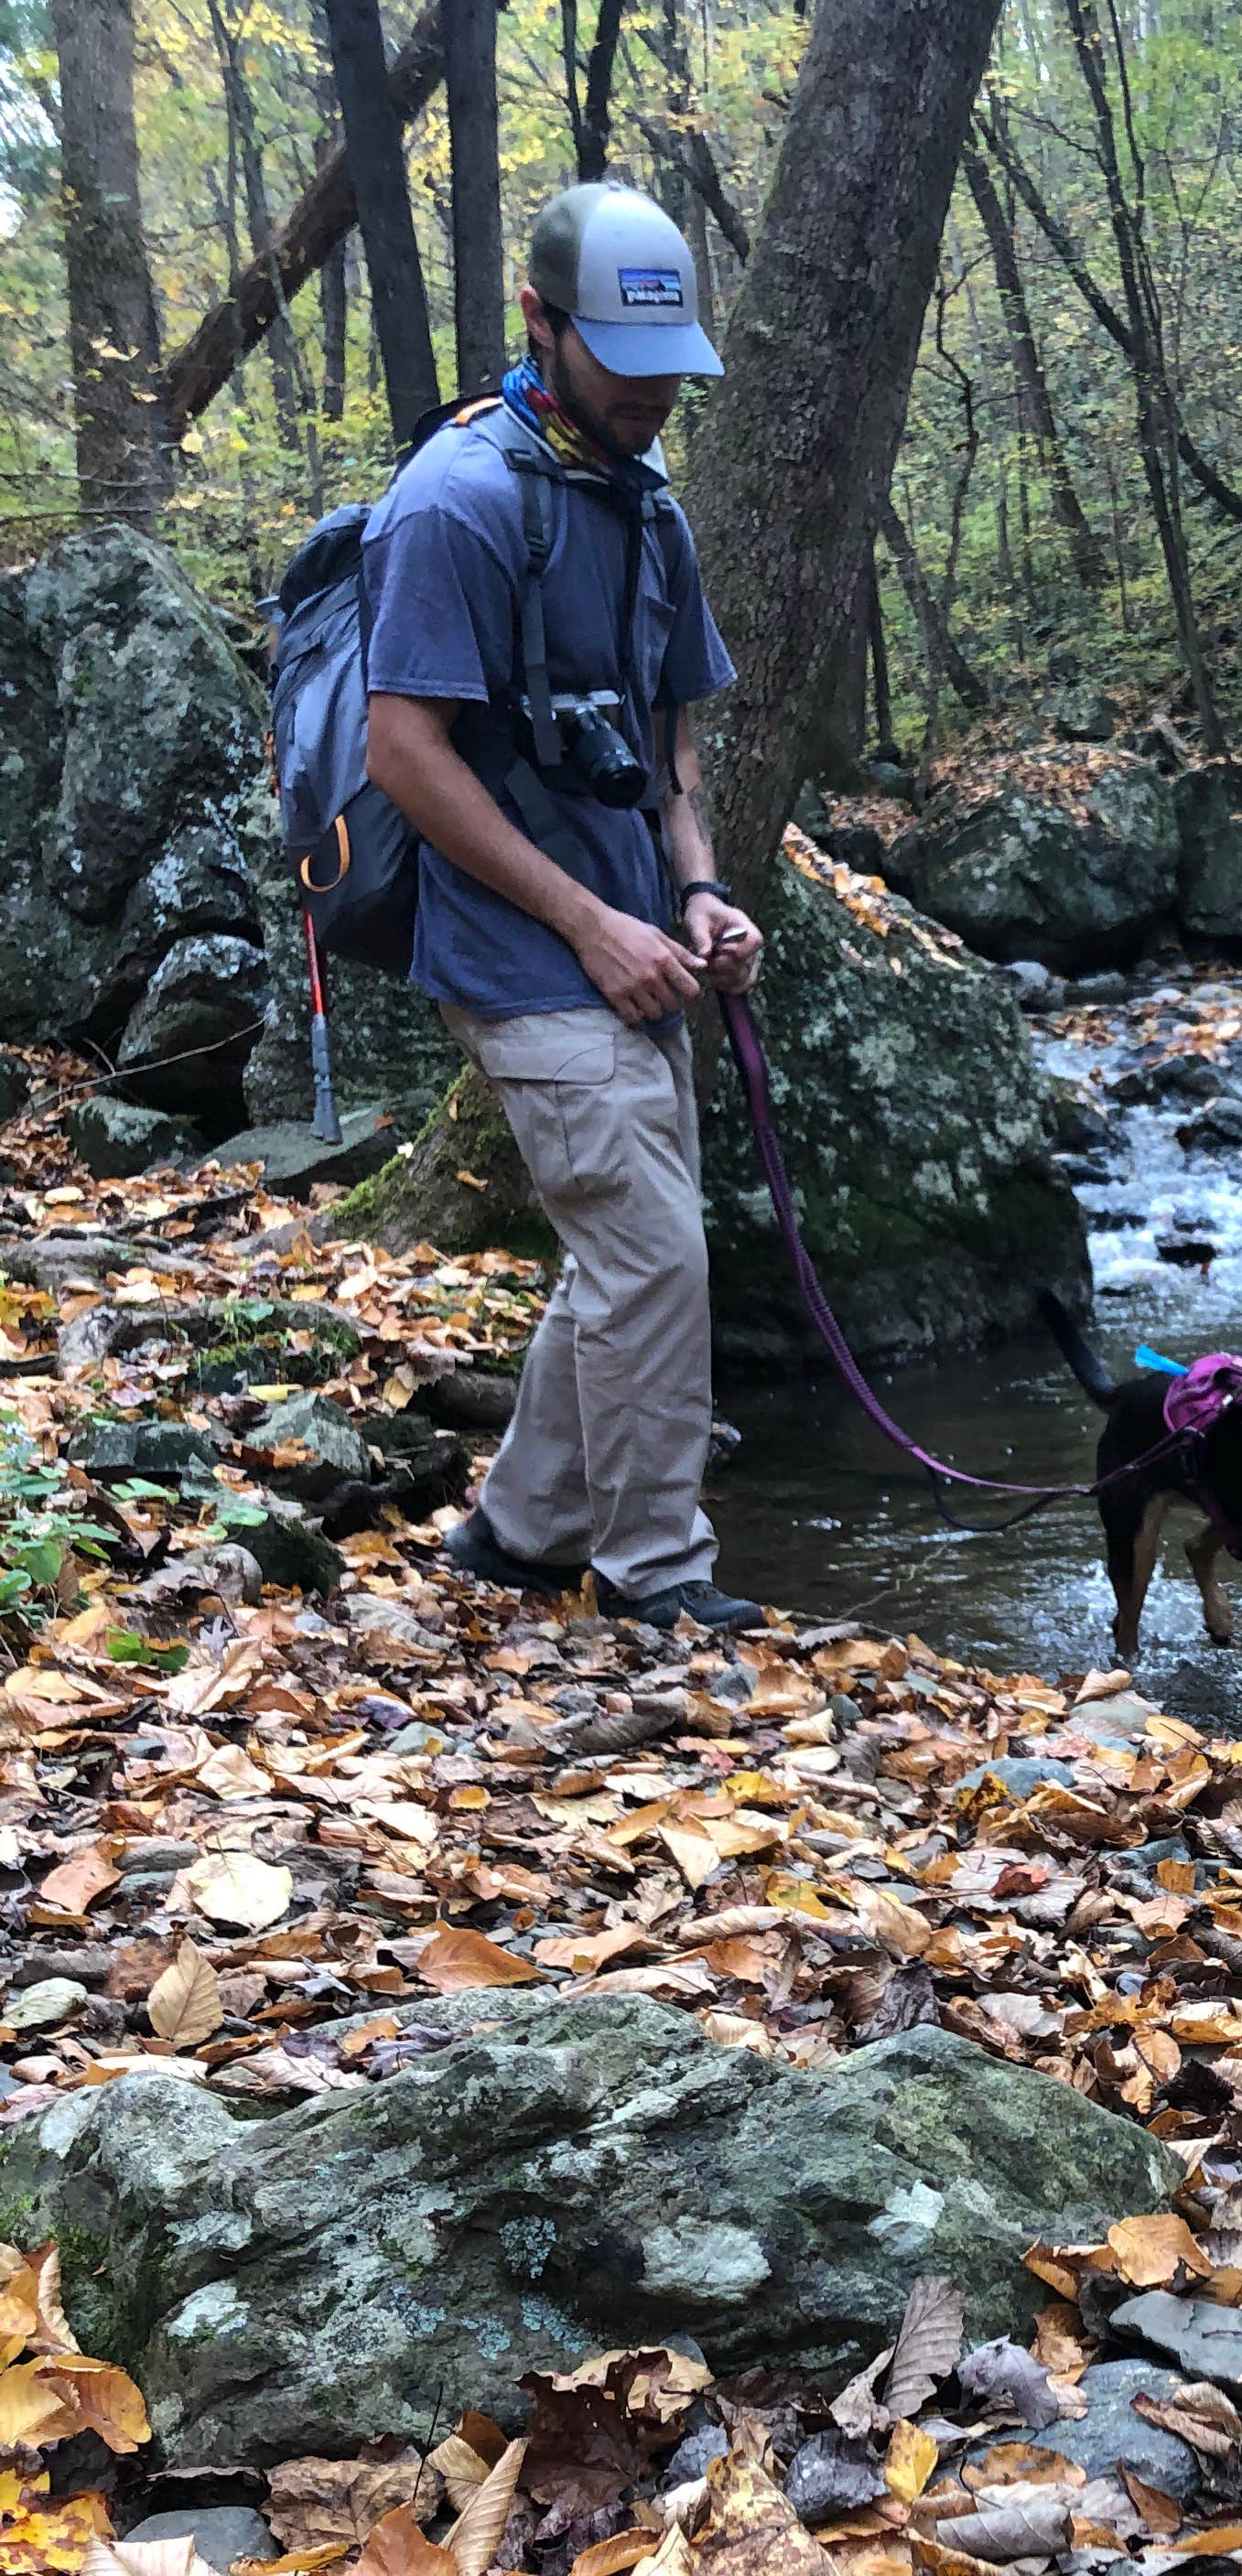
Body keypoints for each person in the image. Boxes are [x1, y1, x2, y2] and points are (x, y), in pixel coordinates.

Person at [362, 179, 766, 1633]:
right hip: (520, 958)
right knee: (657, 1255)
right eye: (620, 363)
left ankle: (517, 1536)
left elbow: (675, 749)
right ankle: (660, 1578)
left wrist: (701, 888)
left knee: (622, 1257)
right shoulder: (455, 508)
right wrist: (589, 923)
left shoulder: (651, 512)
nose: (652, 394)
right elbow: (401, 756)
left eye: (667, 368)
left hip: (643, 949)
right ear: (539, 324)